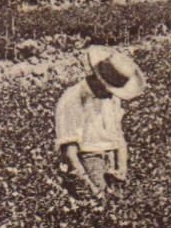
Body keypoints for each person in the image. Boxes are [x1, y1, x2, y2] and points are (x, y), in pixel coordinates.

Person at [54, 46, 145, 202]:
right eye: (109, 88)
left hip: (111, 161)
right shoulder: (72, 99)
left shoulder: (111, 97)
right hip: (88, 163)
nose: (111, 94)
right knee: (98, 209)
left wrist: (121, 170)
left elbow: (119, 137)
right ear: (98, 79)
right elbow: (69, 153)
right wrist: (92, 189)